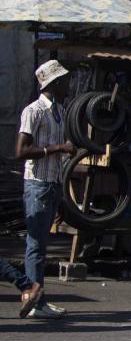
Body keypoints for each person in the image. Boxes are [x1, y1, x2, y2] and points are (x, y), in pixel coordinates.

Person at [15, 59, 75, 318]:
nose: (68, 84)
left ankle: (40, 299)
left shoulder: (59, 111)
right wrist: (58, 148)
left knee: (42, 245)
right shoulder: (34, 110)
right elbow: (21, 151)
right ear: (55, 83)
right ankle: (34, 302)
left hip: (52, 184)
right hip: (37, 184)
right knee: (36, 245)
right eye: (65, 80)